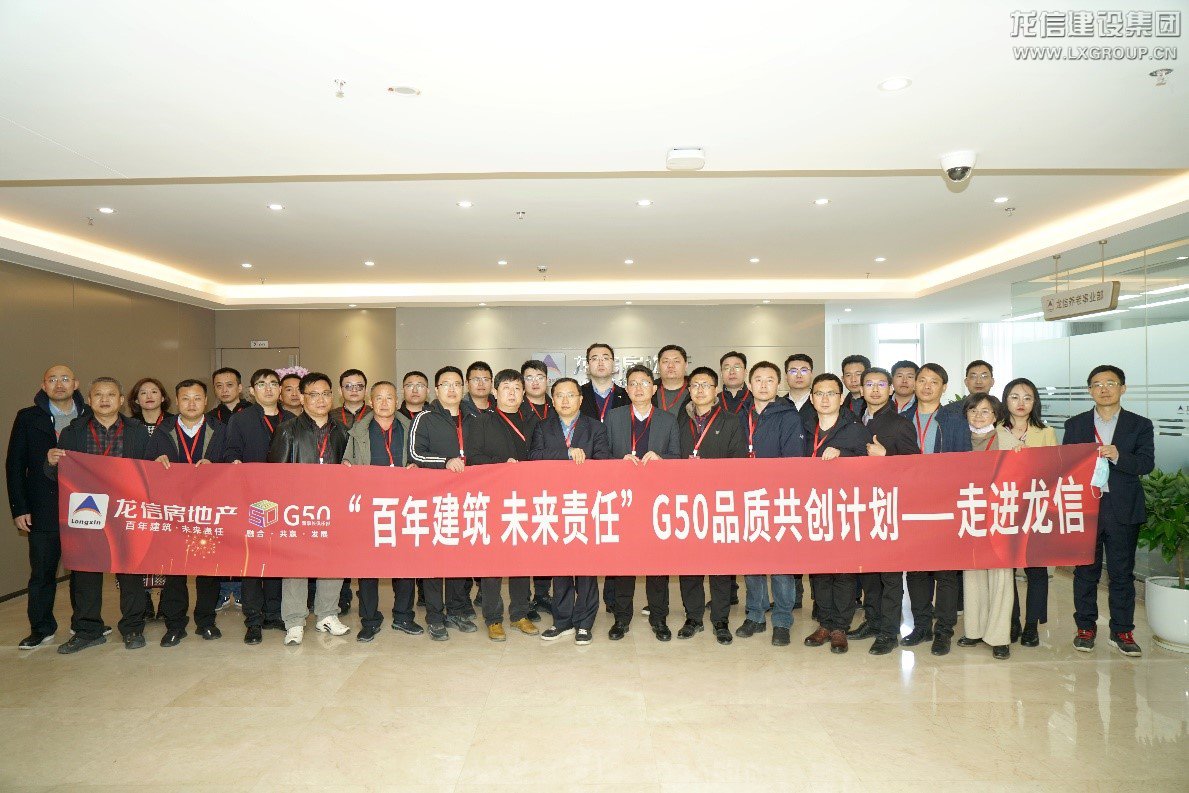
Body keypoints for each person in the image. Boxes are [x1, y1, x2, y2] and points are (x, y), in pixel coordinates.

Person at [47, 377, 152, 653]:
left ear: (121, 400)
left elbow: (150, 473)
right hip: (87, 509)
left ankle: (132, 628)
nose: (105, 400)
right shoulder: (72, 432)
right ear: (89, 400)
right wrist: (51, 463)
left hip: (125, 510)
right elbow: (59, 476)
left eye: (111, 395)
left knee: (130, 571)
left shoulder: (139, 432)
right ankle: (87, 630)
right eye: (98, 395)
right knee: (85, 572)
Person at [1063, 365, 1155, 657]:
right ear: (1089, 390)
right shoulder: (1075, 425)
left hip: (1122, 508)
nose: (1104, 389)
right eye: (1097, 384)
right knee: (1085, 571)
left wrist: (1118, 456)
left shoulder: (1139, 424)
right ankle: (1085, 628)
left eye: (1111, 383)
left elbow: (1146, 464)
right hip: (1086, 507)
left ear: (1123, 388)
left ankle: (1122, 631)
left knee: (1122, 573)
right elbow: (1066, 465)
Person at [7, 365, 90, 649]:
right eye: (52, 379)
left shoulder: (89, 416)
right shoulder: (28, 417)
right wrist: (19, 507)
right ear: (44, 386)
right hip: (42, 506)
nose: (59, 384)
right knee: (42, 572)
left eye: (65, 379)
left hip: (84, 505)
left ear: (75, 384)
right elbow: (14, 465)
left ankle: (84, 624)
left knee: (84, 571)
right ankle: (41, 628)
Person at [268, 372, 352, 645]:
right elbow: (275, 475)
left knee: (333, 560)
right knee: (295, 564)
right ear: (302, 398)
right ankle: (294, 621)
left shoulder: (342, 431)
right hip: (297, 509)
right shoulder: (287, 430)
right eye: (313, 394)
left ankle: (327, 614)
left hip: (333, 507)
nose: (320, 399)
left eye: (325, 394)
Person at [530, 377, 612, 645]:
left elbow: (603, 461)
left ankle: (584, 623)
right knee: (561, 565)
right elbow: (535, 457)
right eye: (559, 395)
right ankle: (562, 620)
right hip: (554, 504)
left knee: (586, 567)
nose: (565, 400)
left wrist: (583, 459)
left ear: (580, 399)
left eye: (571, 395)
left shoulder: (596, 427)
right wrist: (567, 453)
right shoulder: (543, 427)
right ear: (552, 401)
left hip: (585, 505)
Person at [147, 379, 228, 647]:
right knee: (174, 569)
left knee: (208, 569)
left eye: (197, 398)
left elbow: (232, 465)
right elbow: (146, 468)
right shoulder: (162, 431)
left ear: (206, 401)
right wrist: (155, 463)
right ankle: (175, 625)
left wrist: (215, 466)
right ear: (176, 401)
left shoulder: (220, 430)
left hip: (208, 511)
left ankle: (206, 621)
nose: (191, 404)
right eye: (185, 398)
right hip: (174, 513)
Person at [900, 363, 972, 656]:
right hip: (910, 505)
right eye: (922, 380)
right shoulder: (901, 419)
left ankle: (943, 631)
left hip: (944, 505)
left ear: (944, 387)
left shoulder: (954, 420)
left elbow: (965, 462)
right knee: (916, 571)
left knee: (946, 573)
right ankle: (921, 626)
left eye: (934, 381)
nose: (927, 386)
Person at [604, 365, 680, 641]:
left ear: (654, 388)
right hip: (623, 501)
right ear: (626, 389)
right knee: (624, 563)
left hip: (656, 501)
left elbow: (677, 457)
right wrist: (618, 461)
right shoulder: (613, 418)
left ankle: (659, 618)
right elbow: (602, 455)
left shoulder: (668, 420)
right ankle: (621, 618)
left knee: (657, 563)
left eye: (644, 383)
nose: (638, 388)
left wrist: (662, 460)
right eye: (633, 383)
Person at [847, 366, 919, 655]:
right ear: (860, 389)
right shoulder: (853, 422)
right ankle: (873, 621)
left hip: (889, 508)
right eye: (869, 384)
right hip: (860, 507)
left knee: (890, 575)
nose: (875, 389)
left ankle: (889, 631)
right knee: (868, 572)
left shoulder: (901, 424)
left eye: (880, 384)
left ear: (890, 389)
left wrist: (886, 457)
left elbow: (915, 468)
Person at [465, 369, 541, 640]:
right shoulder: (481, 421)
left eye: (517, 388)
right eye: (506, 388)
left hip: (525, 499)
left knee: (521, 558)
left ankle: (520, 614)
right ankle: (493, 618)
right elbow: (473, 457)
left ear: (524, 393)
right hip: (493, 499)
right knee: (493, 560)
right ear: (495, 392)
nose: (512, 393)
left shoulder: (533, 421)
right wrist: (501, 466)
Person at [342, 380, 421, 642]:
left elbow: (421, 458)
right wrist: (346, 466)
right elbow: (348, 460)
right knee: (367, 566)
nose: (384, 403)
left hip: (404, 506)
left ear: (397, 402)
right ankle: (369, 620)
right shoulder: (358, 432)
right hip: (370, 507)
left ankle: (404, 616)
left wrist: (416, 467)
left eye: (389, 398)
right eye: (379, 398)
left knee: (406, 564)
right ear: (370, 401)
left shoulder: (411, 428)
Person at [735, 361, 805, 647]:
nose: (763, 385)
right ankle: (755, 614)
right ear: (749, 384)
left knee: (780, 562)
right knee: (751, 560)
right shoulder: (739, 415)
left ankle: (782, 620)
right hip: (746, 497)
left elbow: (794, 461)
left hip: (779, 498)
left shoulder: (789, 416)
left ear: (778, 385)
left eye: (770, 380)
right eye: (758, 380)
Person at [801, 373, 871, 655]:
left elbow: (871, 466)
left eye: (831, 393)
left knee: (843, 570)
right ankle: (824, 623)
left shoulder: (855, 429)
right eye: (819, 393)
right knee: (819, 569)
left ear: (841, 399)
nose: (825, 399)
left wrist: (843, 455)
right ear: (812, 398)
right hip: (813, 506)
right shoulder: (804, 427)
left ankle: (840, 626)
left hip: (844, 508)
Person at [677, 366, 747, 645]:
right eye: (695, 385)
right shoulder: (678, 420)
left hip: (719, 502)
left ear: (716, 390)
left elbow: (738, 462)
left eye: (706, 385)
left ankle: (720, 620)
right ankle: (693, 617)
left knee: (720, 565)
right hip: (686, 502)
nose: (700, 390)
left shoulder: (731, 421)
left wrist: (706, 469)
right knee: (689, 564)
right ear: (689, 390)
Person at [409, 365, 479, 640]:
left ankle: (457, 610)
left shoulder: (472, 417)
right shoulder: (424, 418)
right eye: (446, 384)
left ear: (463, 388)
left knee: (461, 558)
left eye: (456, 384)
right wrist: (445, 462)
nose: (452, 389)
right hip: (435, 500)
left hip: (467, 499)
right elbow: (415, 454)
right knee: (435, 560)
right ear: (436, 390)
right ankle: (435, 616)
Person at [223, 368, 293, 643]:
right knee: (252, 561)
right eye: (262, 384)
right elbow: (231, 451)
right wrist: (235, 463)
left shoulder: (291, 419)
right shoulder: (241, 420)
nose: (268, 388)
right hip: (251, 498)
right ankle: (253, 620)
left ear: (280, 389)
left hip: (284, 499)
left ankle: (274, 614)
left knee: (277, 558)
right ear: (251, 391)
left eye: (273, 383)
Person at [995, 377, 1058, 648]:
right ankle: (1012, 621)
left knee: (1037, 570)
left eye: (1027, 398)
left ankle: (1032, 624)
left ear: (1035, 402)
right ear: (1005, 400)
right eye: (1015, 397)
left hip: (1036, 507)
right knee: (1006, 570)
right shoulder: (995, 430)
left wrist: (1031, 458)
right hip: (1004, 507)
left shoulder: (1046, 432)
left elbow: (1055, 469)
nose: (1021, 403)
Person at [954, 393, 1013, 660]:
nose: (979, 416)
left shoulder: (1007, 440)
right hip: (969, 514)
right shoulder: (959, 440)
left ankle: (999, 637)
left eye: (985, 411)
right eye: (973, 411)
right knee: (973, 571)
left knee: (1001, 575)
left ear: (996, 415)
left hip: (1000, 514)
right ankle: (974, 630)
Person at [517, 360, 553, 616]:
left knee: (547, 538)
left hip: (552, 482)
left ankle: (542, 594)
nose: (535, 382)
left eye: (540, 376)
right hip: (523, 483)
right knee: (525, 540)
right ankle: (524, 599)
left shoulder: (558, 405)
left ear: (547, 380)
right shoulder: (515, 409)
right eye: (529, 377)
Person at [579, 343, 629, 422]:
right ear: (588, 365)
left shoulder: (627, 396)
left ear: (613, 363)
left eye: (605, 358)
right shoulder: (577, 394)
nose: (600, 363)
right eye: (595, 359)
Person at [654, 344, 691, 417]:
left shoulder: (696, 390)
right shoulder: (648, 390)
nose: (670, 365)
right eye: (665, 361)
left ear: (686, 365)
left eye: (676, 361)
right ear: (658, 365)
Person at [783, 353, 816, 430]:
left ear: (812, 374)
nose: (799, 375)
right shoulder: (778, 405)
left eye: (804, 370)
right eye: (793, 371)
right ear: (786, 376)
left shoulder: (822, 403)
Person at [718, 351, 753, 415]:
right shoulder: (713, 401)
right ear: (721, 374)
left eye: (737, 367)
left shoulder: (755, 400)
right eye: (727, 368)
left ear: (745, 372)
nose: (732, 372)